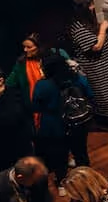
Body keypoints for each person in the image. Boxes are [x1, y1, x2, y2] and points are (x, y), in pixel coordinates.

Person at [31, 53, 92, 186]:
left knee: (59, 157)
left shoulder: (42, 85)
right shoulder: (77, 78)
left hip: (54, 127)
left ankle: (61, 184)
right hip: (78, 123)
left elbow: (35, 107)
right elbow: (90, 94)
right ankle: (87, 180)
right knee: (81, 153)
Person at [67, 0, 108, 122]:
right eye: (90, 5)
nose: (93, 7)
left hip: (107, 66)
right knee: (107, 93)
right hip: (98, 70)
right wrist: (103, 28)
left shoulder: (85, 22)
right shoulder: (77, 27)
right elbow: (96, 46)